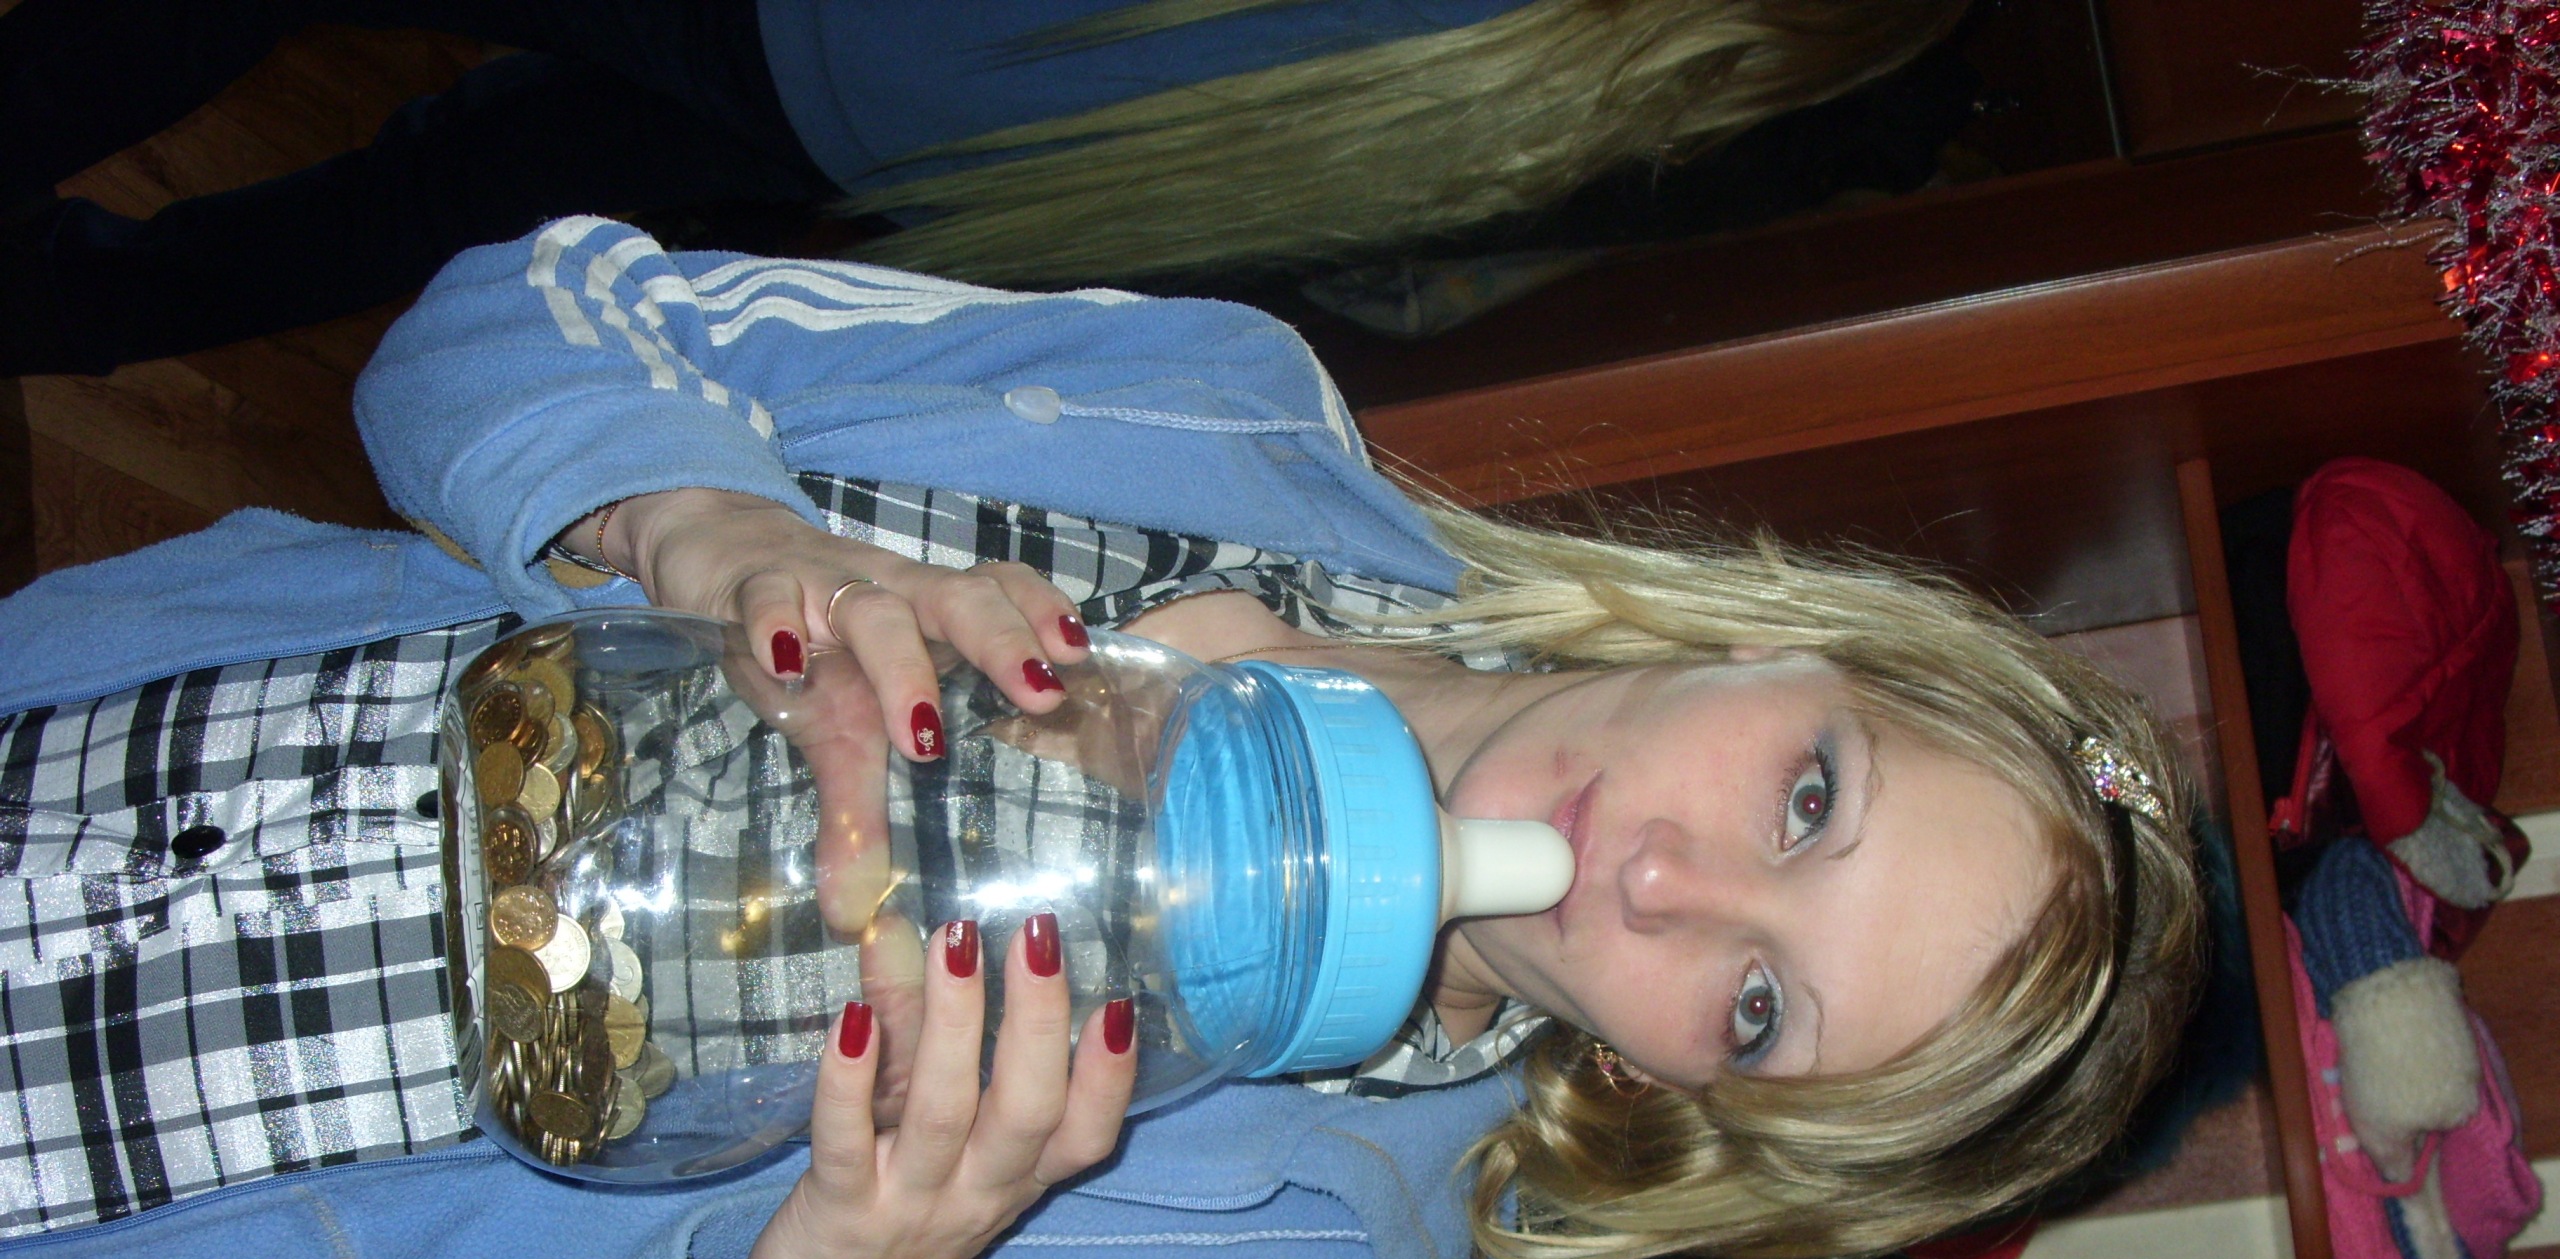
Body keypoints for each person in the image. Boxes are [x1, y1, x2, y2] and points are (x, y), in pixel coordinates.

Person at [0, 218, 2202, 1259]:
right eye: (1804, 797)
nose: (1666, 885)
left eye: (1756, 1000)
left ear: (1662, 1083)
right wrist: (710, 525)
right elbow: (519, 308)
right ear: (1781, 642)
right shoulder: (1198, 429)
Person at [0, 0, 1962, 375]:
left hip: (873, 36)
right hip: (916, 141)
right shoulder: (1687, 93)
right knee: (464, 181)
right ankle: (67, 304)